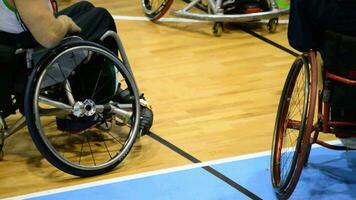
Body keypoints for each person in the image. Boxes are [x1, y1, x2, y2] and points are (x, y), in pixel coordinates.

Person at [0, 0, 118, 117]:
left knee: (84, 8)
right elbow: (50, 37)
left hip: (10, 50)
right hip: (24, 61)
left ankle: (91, 88)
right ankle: (100, 97)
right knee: (100, 18)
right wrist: (65, 22)